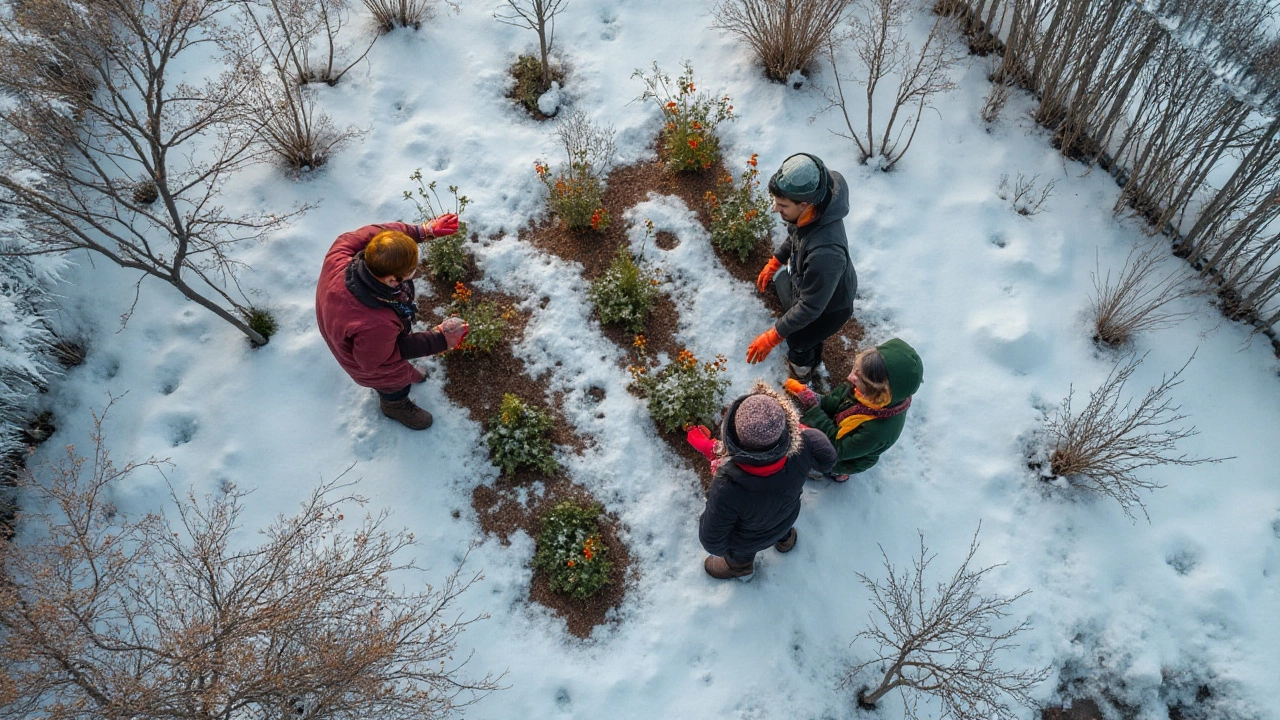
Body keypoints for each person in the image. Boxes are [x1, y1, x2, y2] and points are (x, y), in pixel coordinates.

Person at [315, 215, 468, 430]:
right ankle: (395, 405)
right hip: (371, 365)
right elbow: (383, 360)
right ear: (391, 280)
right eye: (410, 273)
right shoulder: (374, 323)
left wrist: (421, 231)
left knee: (397, 366)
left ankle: (407, 382)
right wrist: (440, 339)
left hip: (342, 329)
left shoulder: (341, 253)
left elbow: (374, 232)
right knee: (394, 381)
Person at [689, 382, 837, 581]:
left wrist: (733, 547)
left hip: (747, 541)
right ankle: (786, 541)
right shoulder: (805, 444)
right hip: (786, 518)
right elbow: (828, 461)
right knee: (782, 529)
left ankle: (740, 568)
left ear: (731, 438)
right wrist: (803, 433)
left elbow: (712, 541)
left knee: (739, 556)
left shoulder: (728, 488)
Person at [746, 153, 858, 385]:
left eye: (783, 205)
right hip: (814, 286)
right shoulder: (815, 207)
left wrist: (773, 336)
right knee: (782, 286)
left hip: (829, 308)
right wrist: (776, 261)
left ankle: (803, 370)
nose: (776, 209)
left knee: (799, 338)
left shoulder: (825, 253)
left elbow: (810, 307)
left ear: (804, 205)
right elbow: (796, 236)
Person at [784, 338, 922, 480]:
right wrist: (818, 401)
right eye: (856, 370)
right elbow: (840, 401)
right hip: (846, 433)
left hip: (845, 457)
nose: (850, 378)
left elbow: (836, 448)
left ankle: (831, 472)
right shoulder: (867, 392)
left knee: (823, 460)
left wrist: (813, 410)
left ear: (877, 393)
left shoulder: (876, 431)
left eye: (858, 377)